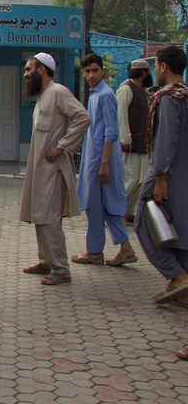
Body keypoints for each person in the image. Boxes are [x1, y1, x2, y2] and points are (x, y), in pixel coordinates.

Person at [20, 53, 90, 286]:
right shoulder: (43, 96)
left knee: (49, 218)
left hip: (52, 168)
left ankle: (61, 269)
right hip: (39, 168)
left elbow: (82, 117)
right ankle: (46, 262)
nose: (26, 74)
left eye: (29, 69)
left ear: (42, 69)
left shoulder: (59, 92)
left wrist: (62, 147)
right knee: (40, 215)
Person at [134, 46, 188, 306]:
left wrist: (161, 179)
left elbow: (165, 140)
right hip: (183, 178)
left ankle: (178, 277)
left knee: (144, 222)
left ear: (163, 66)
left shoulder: (169, 98)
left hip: (165, 174)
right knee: (181, 232)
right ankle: (180, 288)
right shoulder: (186, 95)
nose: (154, 71)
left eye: (155, 66)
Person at [74, 54, 137, 267]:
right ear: (83, 73)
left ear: (103, 71)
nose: (91, 75)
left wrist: (103, 163)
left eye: (95, 70)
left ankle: (94, 252)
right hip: (95, 158)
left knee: (96, 204)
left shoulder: (106, 95)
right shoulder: (95, 94)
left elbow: (111, 131)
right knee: (103, 206)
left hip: (102, 160)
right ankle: (123, 249)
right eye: (88, 71)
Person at [116, 59, 152, 225]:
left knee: (140, 180)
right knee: (129, 180)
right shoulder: (126, 89)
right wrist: (125, 139)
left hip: (141, 144)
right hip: (129, 144)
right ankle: (116, 212)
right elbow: (121, 115)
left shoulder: (143, 91)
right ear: (144, 73)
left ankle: (127, 212)